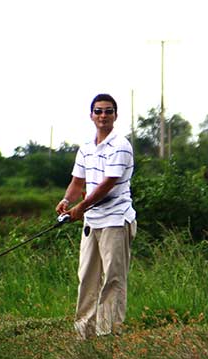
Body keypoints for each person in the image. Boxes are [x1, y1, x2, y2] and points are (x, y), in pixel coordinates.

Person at [56, 93, 136, 339]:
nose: (103, 116)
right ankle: (84, 334)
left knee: (113, 278)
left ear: (115, 115)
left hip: (115, 219)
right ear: (91, 115)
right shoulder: (86, 148)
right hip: (92, 221)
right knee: (87, 279)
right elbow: (77, 182)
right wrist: (68, 201)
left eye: (108, 111)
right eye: (99, 111)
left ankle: (108, 336)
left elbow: (106, 185)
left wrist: (81, 208)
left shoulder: (121, 145)